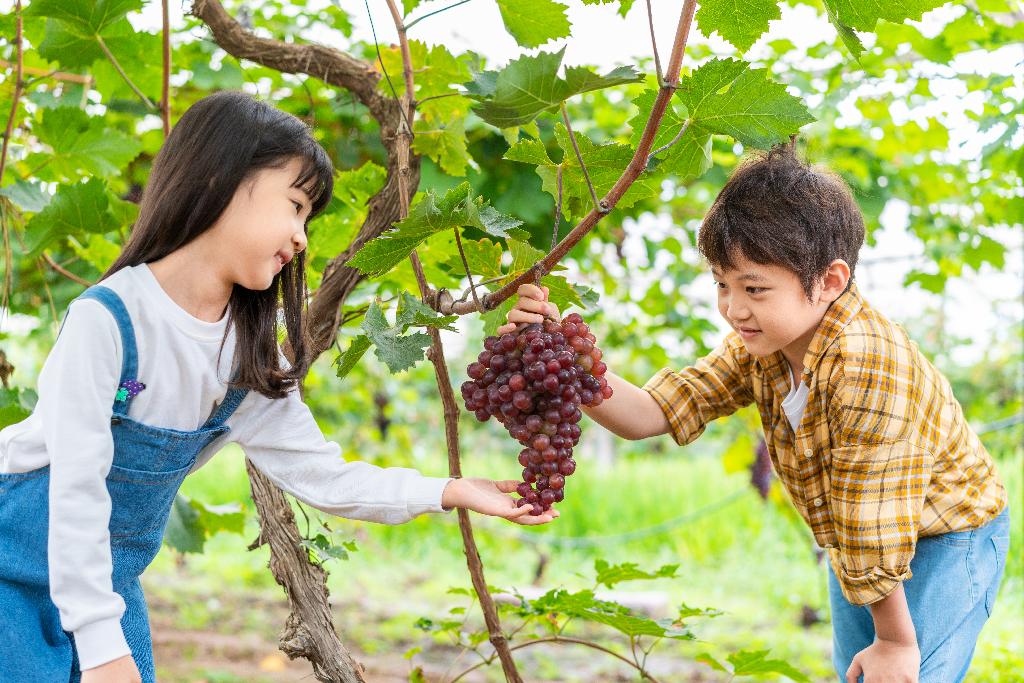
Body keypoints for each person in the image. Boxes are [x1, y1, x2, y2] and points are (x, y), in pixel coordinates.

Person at [0, 90, 556, 683]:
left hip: (104, 586)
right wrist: (103, 648)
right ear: (218, 176)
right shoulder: (108, 319)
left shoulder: (243, 361)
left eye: (308, 219)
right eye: (294, 205)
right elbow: (77, 495)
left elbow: (326, 476)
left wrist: (452, 489)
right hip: (14, 572)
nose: (301, 237)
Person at [500, 145, 1009, 683]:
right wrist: (558, 353)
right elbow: (650, 412)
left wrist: (894, 639)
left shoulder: (866, 362)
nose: (733, 307)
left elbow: (872, 519)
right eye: (722, 282)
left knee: (904, 672)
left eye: (754, 288)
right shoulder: (761, 346)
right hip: (860, 549)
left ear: (831, 281)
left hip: (947, 538)